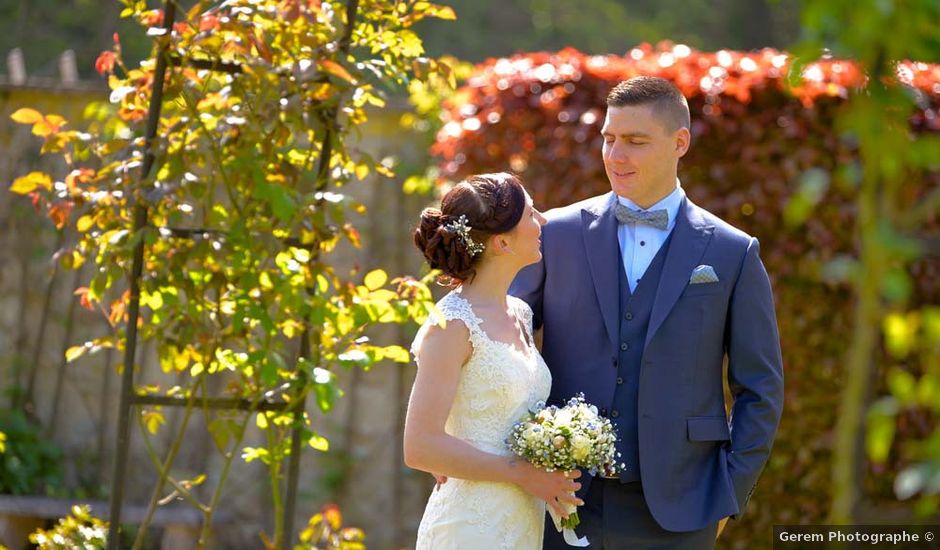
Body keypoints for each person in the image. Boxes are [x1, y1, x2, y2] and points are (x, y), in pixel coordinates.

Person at [510, 76, 785, 549]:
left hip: (682, 509)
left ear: (681, 142)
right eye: (609, 140)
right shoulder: (553, 234)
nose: (616, 156)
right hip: (562, 501)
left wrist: (728, 494)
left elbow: (760, 389)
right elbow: (501, 344)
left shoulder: (731, 252)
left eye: (635, 142)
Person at [404, 172, 583, 549]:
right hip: (469, 526)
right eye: (532, 215)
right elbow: (420, 445)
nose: (543, 222)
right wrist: (524, 474)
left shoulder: (520, 313)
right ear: (502, 242)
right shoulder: (452, 324)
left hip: (521, 522)